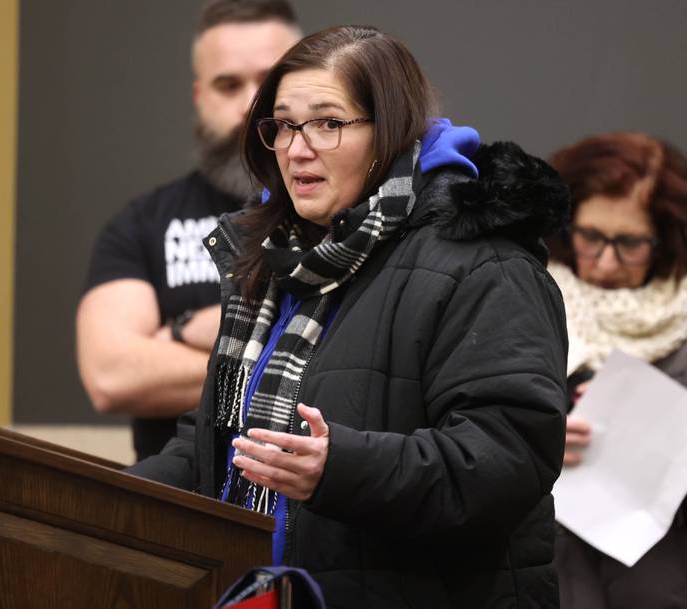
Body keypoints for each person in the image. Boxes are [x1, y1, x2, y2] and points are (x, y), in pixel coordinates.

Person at [129, 25, 570, 609]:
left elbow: (507, 461)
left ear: (388, 134)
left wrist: (341, 469)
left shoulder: (484, 264)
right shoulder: (270, 265)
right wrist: (87, 499)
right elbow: (222, 445)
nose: (296, 147)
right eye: (283, 125)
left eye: (328, 123)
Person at [76, 1, 302, 460]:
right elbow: (110, 378)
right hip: (172, 508)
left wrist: (179, 336)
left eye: (269, 81)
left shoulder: (348, 212)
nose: (249, 104)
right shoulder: (143, 222)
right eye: (228, 84)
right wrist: (284, 366)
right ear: (200, 96)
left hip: (309, 514)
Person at [545, 132, 687, 609]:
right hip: (545, 573)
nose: (605, 262)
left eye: (629, 243)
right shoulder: (524, 302)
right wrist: (532, 440)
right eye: (591, 236)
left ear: (665, 238)